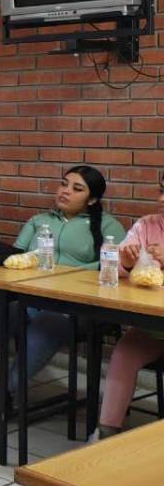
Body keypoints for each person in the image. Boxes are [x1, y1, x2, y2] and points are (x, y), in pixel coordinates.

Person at [0, 166, 124, 428]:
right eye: (63, 184)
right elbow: (15, 258)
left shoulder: (110, 227)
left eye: (77, 189)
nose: (65, 191)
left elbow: (114, 268)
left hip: (77, 307)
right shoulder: (40, 220)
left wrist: (65, 271)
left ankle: (6, 392)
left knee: (47, 324)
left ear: (93, 199)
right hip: (32, 298)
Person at [92, 176, 164, 440]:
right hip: (152, 328)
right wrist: (126, 262)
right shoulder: (146, 225)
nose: (161, 199)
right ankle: (106, 433)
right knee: (123, 354)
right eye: (161, 191)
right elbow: (114, 269)